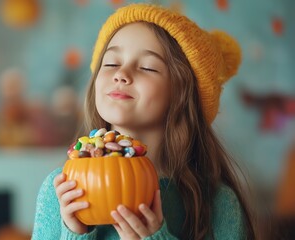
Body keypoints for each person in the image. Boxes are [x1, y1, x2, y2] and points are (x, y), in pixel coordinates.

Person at [32, 3, 257, 239]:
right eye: (111, 63)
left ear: (183, 95)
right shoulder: (61, 192)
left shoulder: (218, 204)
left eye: (147, 67)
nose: (121, 74)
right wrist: (75, 234)